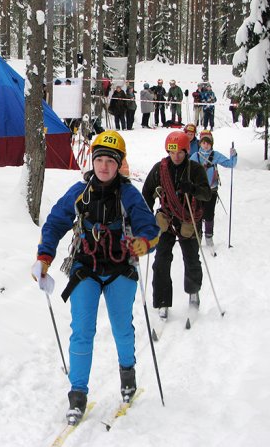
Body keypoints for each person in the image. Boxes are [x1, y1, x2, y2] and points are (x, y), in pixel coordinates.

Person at [32, 131, 160, 425]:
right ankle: (77, 394)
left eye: (110, 161)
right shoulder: (80, 191)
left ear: (119, 164)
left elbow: (150, 228)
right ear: (92, 161)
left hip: (120, 268)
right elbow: (55, 222)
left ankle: (128, 376)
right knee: (81, 330)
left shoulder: (129, 194)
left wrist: (143, 242)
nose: (104, 166)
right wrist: (44, 256)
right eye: (99, 160)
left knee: (122, 327)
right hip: (85, 268)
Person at [141, 131, 211, 319]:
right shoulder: (160, 169)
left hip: (189, 219)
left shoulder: (195, 169)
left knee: (191, 258)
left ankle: (193, 292)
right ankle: (162, 301)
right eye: (172, 152)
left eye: (179, 152)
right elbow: (147, 192)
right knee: (161, 260)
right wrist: (145, 217)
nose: (176, 156)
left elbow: (206, 194)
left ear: (186, 151)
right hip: (167, 220)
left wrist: (193, 189)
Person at [190, 130, 238, 247]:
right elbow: (187, 168)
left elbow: (230, 164)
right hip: (198, 189)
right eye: (203, 143)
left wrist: (233, 155)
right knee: (197, 214)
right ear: (200, 143)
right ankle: (197, 236)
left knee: (209, 214)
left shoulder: (215, 155)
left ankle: (209, 236)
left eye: (208, 143)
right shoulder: (195, 156)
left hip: (212, 189)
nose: (205, 145)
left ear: (211, 144)